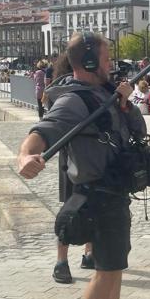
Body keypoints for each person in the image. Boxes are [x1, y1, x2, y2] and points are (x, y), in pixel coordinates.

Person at [17, 32, 148, 299]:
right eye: (106, 58)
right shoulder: (74, 99)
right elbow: (43, 130)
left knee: (114, 263)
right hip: (99, 197)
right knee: (105, 272)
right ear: (89, 61)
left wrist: (126, 103)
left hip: (114, 192)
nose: (111, 63)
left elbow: (138, 130)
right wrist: (24, 155)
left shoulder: (105, 92)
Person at [40, 52, 95, 285]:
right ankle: (64, 260)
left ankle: (86, 254)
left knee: (80, 207)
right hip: (79, 158)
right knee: (72, 209)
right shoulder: (70, 94)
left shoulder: (56, 91)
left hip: (76, 158)